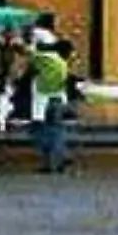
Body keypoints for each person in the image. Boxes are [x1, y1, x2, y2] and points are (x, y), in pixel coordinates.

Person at [29, 38, 74, 173]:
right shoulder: (63, 64)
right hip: (58, 100)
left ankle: (50, 162)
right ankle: (60, 159)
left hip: (46, 102)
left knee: (44, 133)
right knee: (57, 132)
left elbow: (31, 54)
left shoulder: (49, 60)